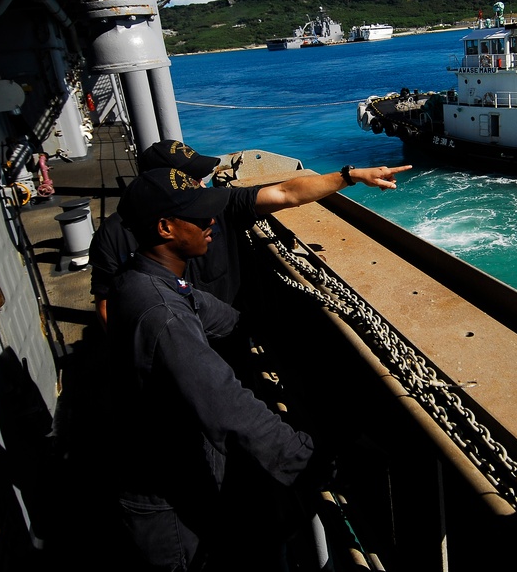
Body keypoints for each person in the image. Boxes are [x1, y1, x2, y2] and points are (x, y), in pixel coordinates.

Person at [106, 167, 332, 570]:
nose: (211, 221)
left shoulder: (143, 277)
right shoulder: (164, 315)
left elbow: (221, 317)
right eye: (198, 216)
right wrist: (306, 460)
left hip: (167, 474)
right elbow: (224, 403)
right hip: (168, 505)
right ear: (165, 227)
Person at [90, 139, 411, 328]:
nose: (202, 184)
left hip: (227, 330)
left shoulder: (219, 204)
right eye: (192, 179)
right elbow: (106, 302)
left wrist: (351, 176)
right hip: (172, 336)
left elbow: (286, 192)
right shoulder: (113, 235)